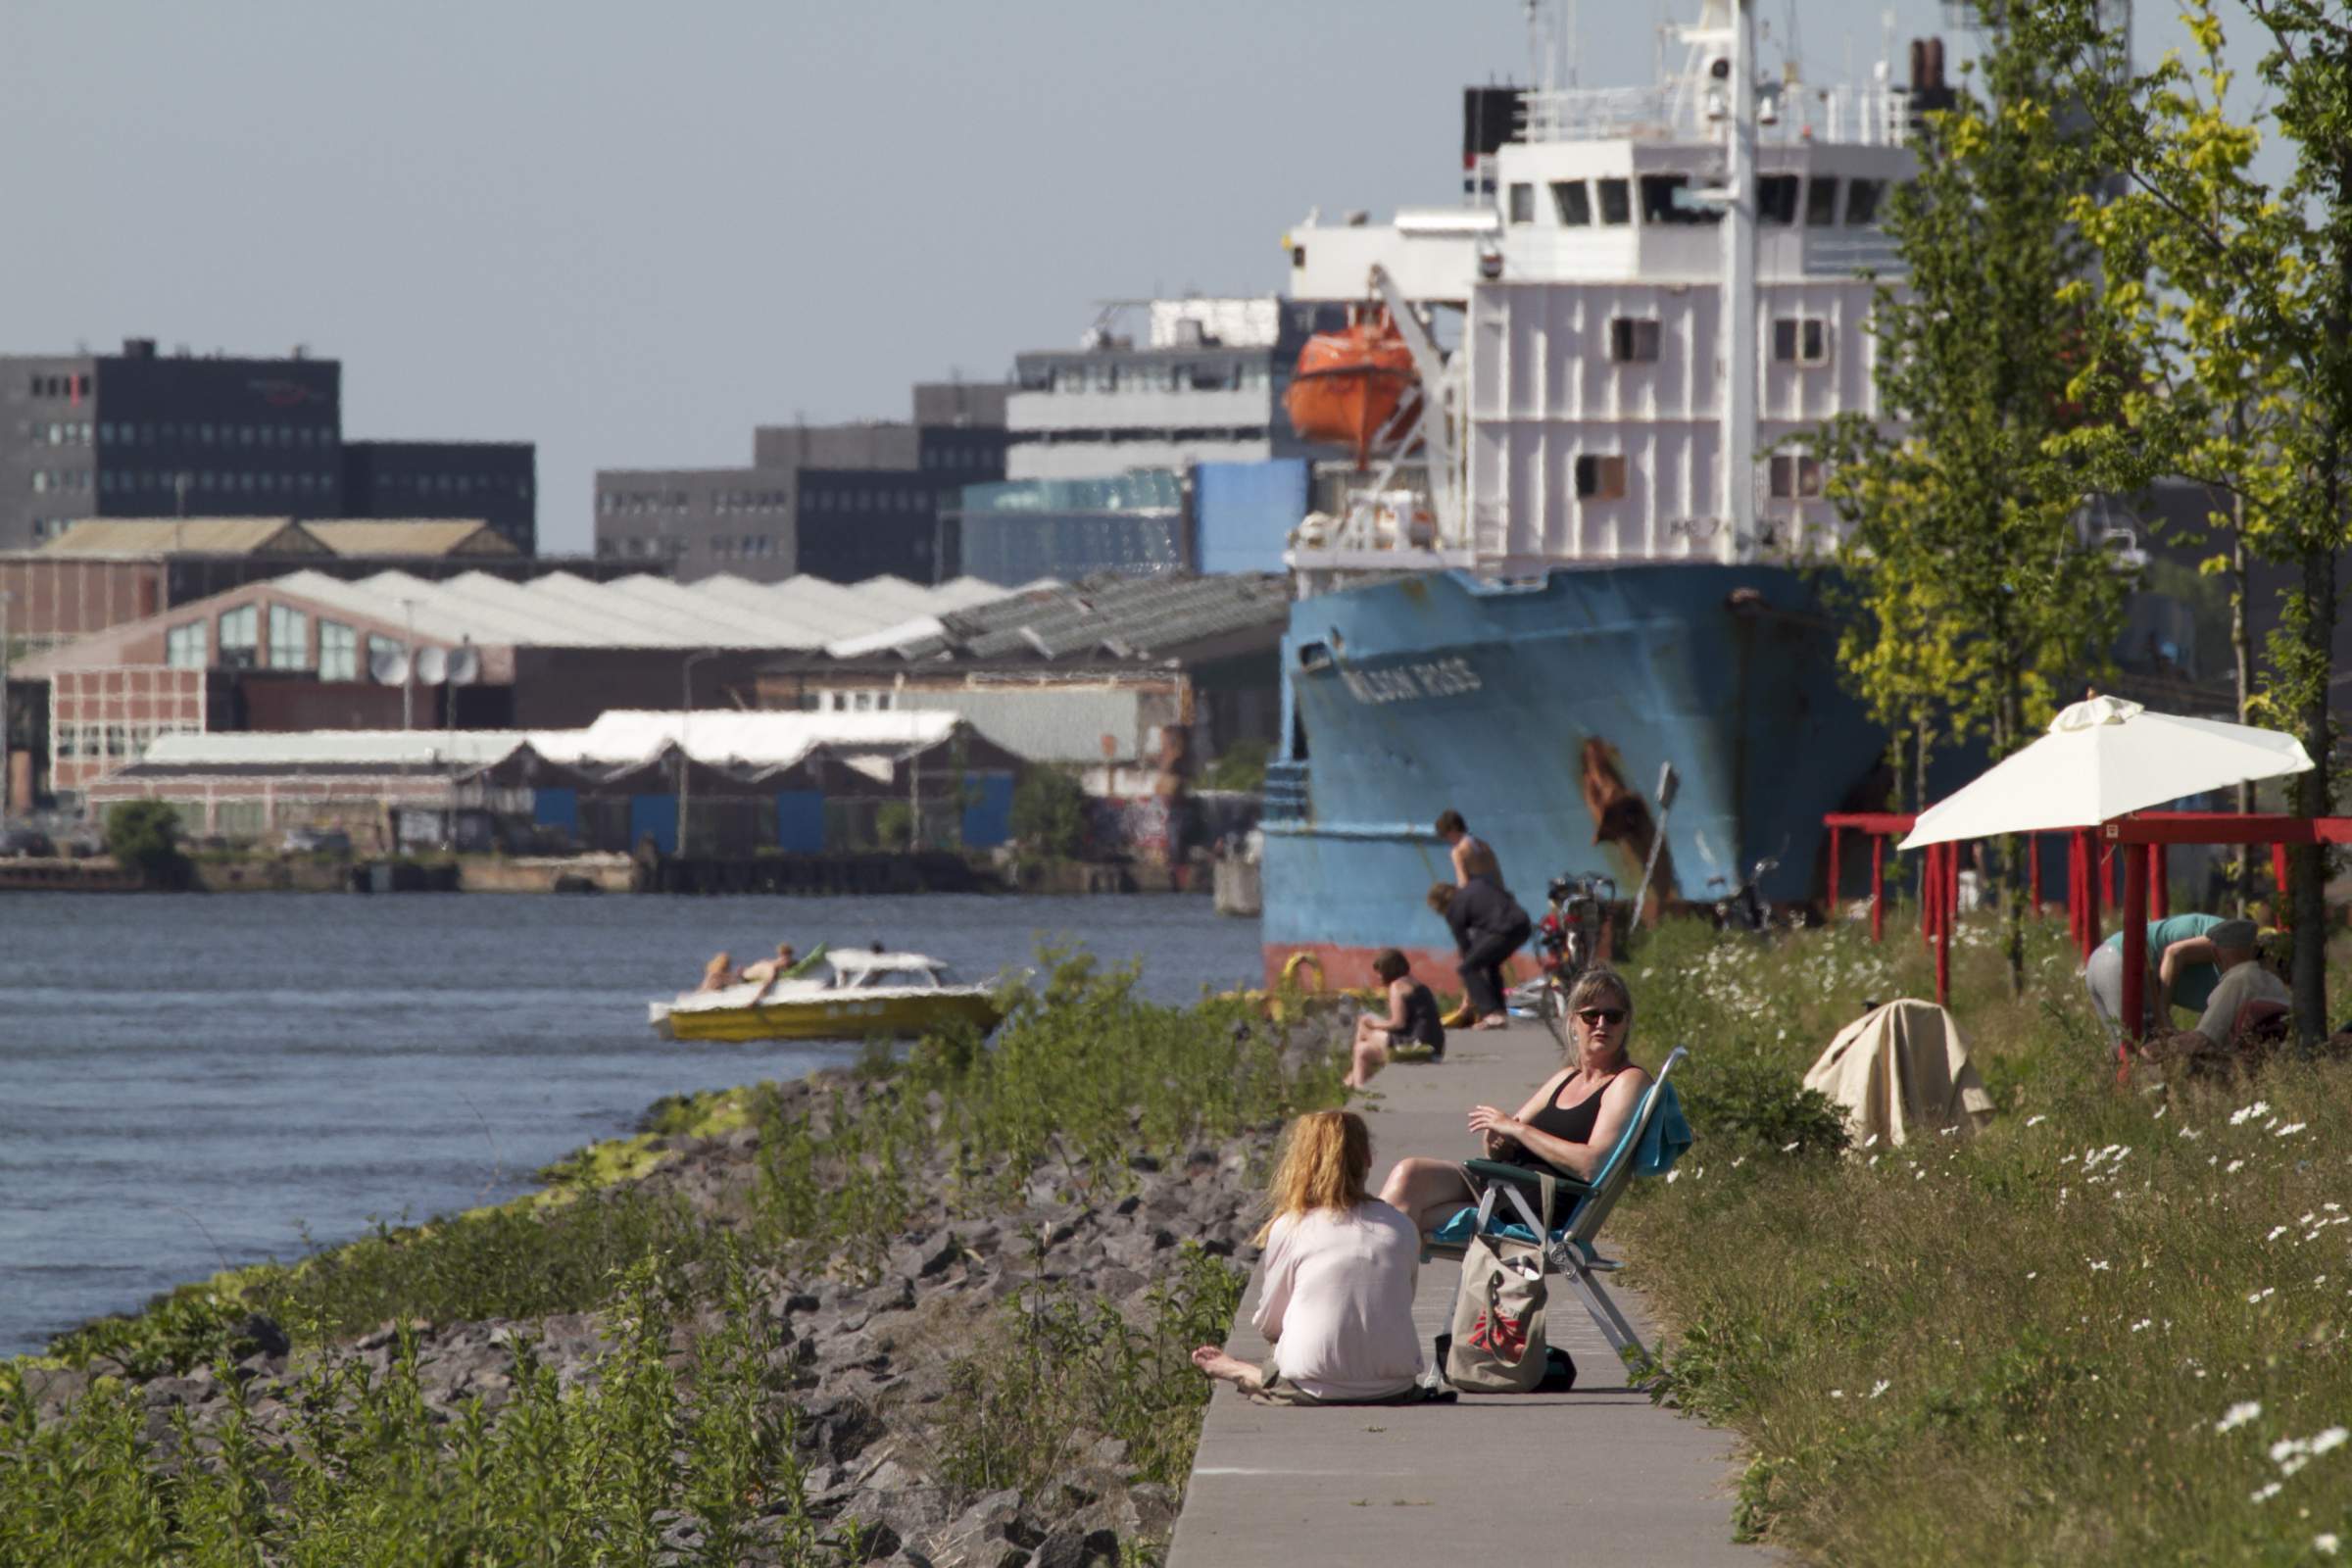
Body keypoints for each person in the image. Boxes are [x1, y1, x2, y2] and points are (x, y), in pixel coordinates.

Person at [1378, 967, 1651, 1236]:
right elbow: (1502, 1145)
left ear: (1626, 1023)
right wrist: (1497, 1138)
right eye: (1591, 1015)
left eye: (1613, 1016)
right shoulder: (1567, 1077)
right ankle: (1367, 1271)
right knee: (1409, 1173)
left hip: (1536, 1204)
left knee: (1401, 1220)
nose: (1602, 1024)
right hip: (1504, 1186)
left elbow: (1593, 1165)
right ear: (1572, 1021)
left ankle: (1365, 1273)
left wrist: (1518, 1130)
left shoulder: (1627, 1081)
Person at [1190, 1110, 1437, 1404]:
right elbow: (1398, 1300)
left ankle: (1245, 1372)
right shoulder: (1401, 1225)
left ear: (1299, 1163)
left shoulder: (1292, 1225)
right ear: (1368, 1159)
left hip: (1314, 1386)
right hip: (1395, 1385)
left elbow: (1272, 1324)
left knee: (1286, 1346)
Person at [2083, 911, 2230, 1038]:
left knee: (2124, 1050)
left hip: (2102, 960)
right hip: (2123, 960)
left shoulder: (2236, 983)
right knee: (2142, 1047)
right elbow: (2174, 953)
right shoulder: (2236, 944)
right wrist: (2162, 1012)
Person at [1429, 878, 1532, 1030]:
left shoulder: (1454, 908)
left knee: (1467, 968)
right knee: (1491, 963)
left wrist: (1470, 989)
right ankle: (1499, 1011)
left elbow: (1465, 947)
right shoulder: (1479, 884)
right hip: (1523, 925)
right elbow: (1508, 896)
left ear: (1440, 904)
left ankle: (1491, 1013)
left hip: (1503, 931)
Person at [1346, 949, 1446, 1088]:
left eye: (1380, 972)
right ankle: (1358, 1086)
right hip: (1433, 1046)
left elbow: (1398, 1023)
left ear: (1388, 970)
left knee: (1364, 1023)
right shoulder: (1418, 984)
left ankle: (1352, 1081)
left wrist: (1374, 1024)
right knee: (1362, 1050)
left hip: (1416, 1045)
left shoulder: (1397, 986)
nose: (1379, 977)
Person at [2188, 921, 2290, 1047]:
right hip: (2278, 1058)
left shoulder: (2235, 981)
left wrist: (2169, 1043)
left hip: (2238, 1062)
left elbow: (2205, 1037)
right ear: (2253, 949)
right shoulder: (2274, 980)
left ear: (2216, 953)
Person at [1435, 808, 1502, 889]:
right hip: (1498, 896)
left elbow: (1463, 884)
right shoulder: (1485, 845)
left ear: (1454, 828)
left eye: (1445, 835)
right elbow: (1498, 878)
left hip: (1479, 897)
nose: (1447, 840)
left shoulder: (1458, 852)